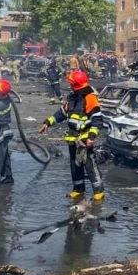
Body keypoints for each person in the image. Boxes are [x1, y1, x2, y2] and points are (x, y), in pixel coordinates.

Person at [39, 70, 105, 201]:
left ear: (76, 85)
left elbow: (97, 119)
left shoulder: (90, 97)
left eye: (71, 83)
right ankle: (78, 190)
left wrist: (91, 137)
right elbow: (62, 113)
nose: (70, 86)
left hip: (84, 138)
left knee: (89, 165)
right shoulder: (73, 97)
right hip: (73, 138)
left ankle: (99, 191)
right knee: (75, 165)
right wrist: (48, 122)